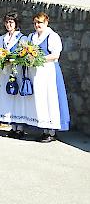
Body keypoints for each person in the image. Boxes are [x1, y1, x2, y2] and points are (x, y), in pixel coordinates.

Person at [26, 12, 70, 142]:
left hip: (49, 71)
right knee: (40, 100)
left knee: (50, 99)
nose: (37, 25)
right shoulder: (32, 37)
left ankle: (51, 131)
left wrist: (38, 58)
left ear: (46, 23)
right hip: (36, 72)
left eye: (39, 22)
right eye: (35, 23)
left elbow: (55, 55)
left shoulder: (52, 36)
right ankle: (44, 128)